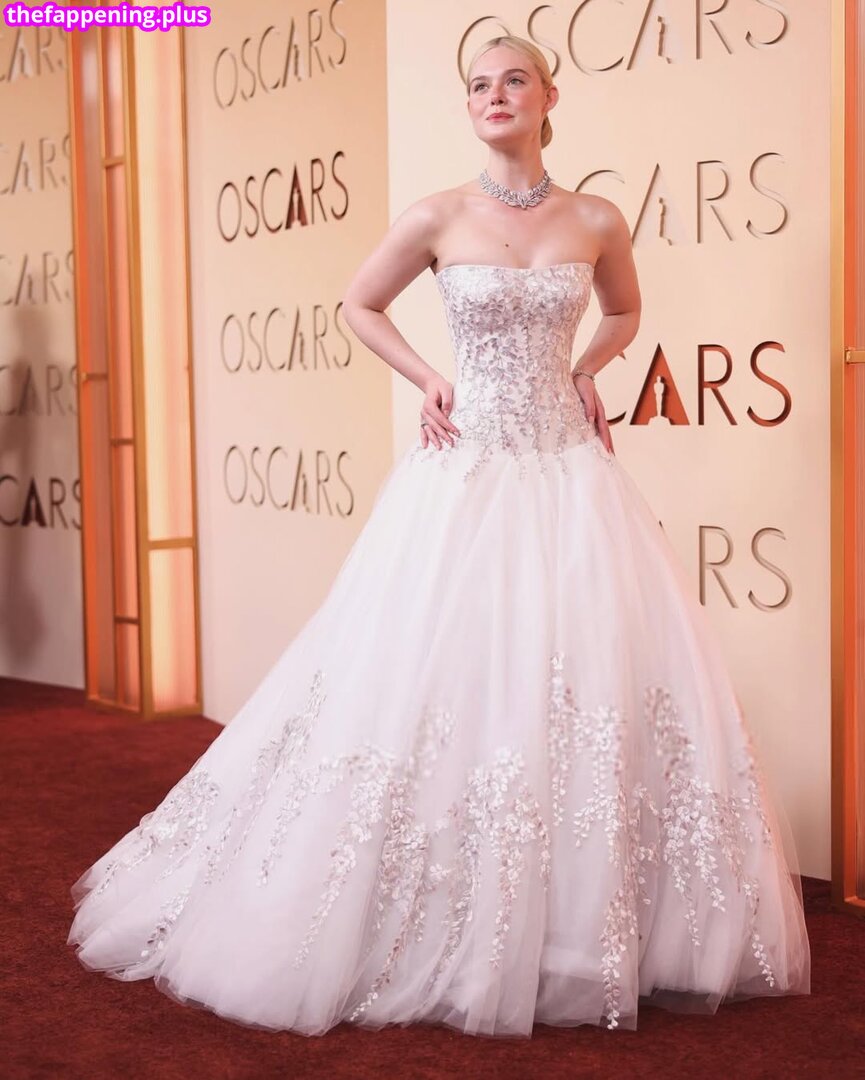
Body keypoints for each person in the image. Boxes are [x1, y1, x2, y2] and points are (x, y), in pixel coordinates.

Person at [68, 34, 811, 1038]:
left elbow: (625, 310)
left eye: (514, 80)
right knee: (439, 678)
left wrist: (584, 370)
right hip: (465, 473)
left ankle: (574, 929)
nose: (494, 95)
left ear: (549, 96)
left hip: (569, 475)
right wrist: (427, 378)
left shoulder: (595, 217)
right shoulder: (435, 215)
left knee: (580, 679)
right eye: (478, 84)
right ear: (468, 107)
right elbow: (357, 303)